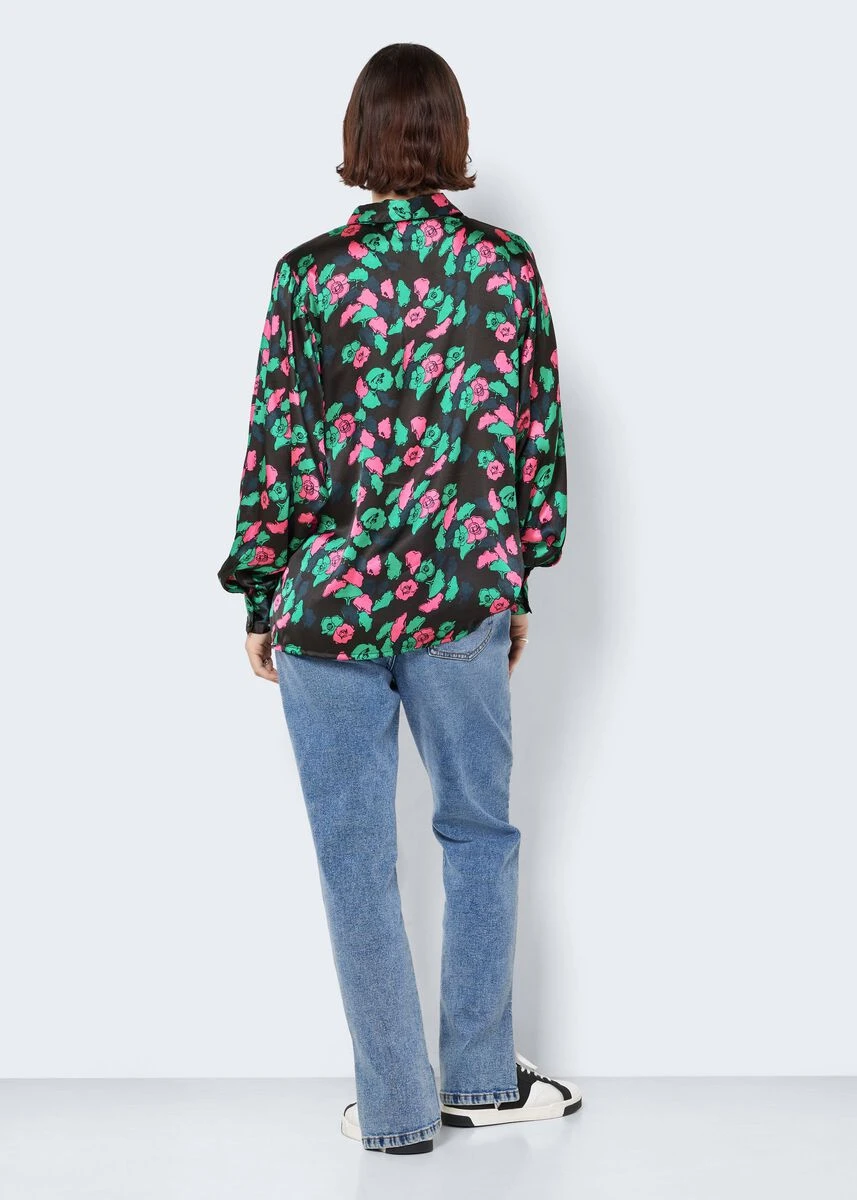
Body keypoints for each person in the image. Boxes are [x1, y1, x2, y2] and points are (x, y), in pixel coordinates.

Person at [217, 42, 576, 1155]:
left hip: (328, 609)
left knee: (354, 860)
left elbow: (279, 446)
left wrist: (262, 595)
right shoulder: (505, 268)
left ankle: (398, 1112)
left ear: (359, 138)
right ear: (452, 136)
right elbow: (534, 434)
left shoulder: (309, 276)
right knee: (479, 832)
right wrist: (519, 574)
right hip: (462, 594)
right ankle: (480, 1078)